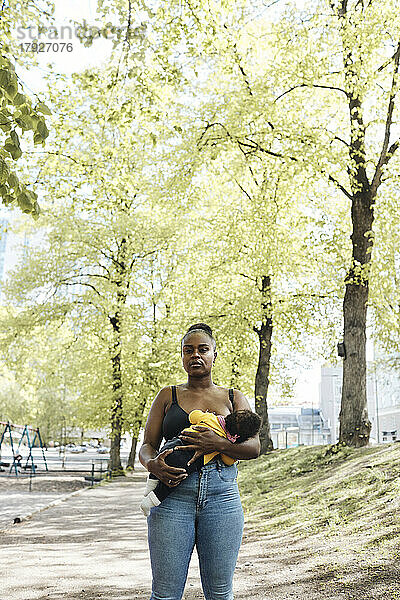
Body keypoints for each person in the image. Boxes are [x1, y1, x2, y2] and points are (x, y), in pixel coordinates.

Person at [139, 322, 261, 600]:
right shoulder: (167, 396)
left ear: (214, 355)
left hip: (222, 500)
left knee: (220, 594)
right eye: (188, 350)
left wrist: (217, 444)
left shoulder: (233, 397)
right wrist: (152, 464)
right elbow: (147, 445)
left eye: (203, 349)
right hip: (172, 500)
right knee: (165, 595)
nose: (195, 355)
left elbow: (254, 447)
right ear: (182, 356)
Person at [140, 407, 261, 516]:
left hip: (176, 444)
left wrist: (204, 414)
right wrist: (223, 445)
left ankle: (149, 487)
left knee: (162, 462)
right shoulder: (227, 438)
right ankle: (150, 501)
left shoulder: (211, 418)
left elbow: (193, 415)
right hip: (190, 462)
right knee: (170, 482)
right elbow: (228, 461)